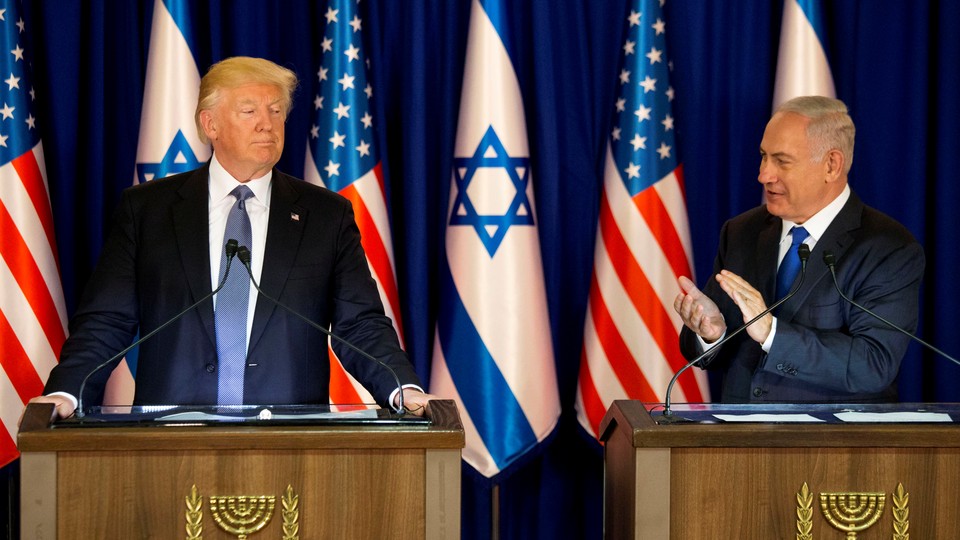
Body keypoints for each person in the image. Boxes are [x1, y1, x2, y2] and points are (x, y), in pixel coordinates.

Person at [30, 57, 434, 419]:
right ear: (210, 125)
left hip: (292, 441)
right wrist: (66, 392)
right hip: (170, 439)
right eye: (249, 111)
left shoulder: (326, 214)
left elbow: (359, 325)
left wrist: (402, 389)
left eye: (276, 111)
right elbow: (107, 320)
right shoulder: (148, 211)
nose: (267, 123)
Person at [673, 95, 924, 403]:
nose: (764, 174)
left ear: (831, 165)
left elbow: (873, 363)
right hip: (739, 444)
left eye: (782, 161)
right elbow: (715, 351)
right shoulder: (740, 232)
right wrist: (711, 334)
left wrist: (772, 333)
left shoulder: (887, 249)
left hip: (832, 447)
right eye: (763, 156)